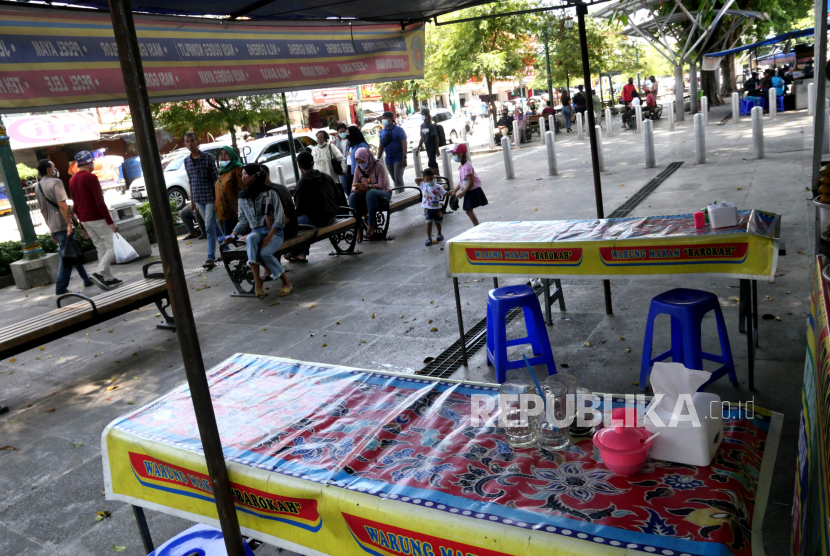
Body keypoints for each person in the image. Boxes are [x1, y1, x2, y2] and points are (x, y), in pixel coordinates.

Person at [224, 164, 292, 299]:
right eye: (242, 174)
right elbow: (243, 221)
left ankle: (286, 283)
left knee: (265, 253)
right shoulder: (243, 197)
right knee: (250, 238)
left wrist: (270, 236)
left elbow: (280, 217)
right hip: (256, 231)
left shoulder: (270, 192)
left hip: (274, 231)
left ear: (255, 176)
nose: (242, 177)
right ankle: (257, 282)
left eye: (245, 174)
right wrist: (233, 235)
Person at [35, 159, 95, 294]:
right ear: (49, 170)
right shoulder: (57, 182)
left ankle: (86, 279)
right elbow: (62, 204)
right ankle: (61, 288)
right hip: (63, 224)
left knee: (71, 250)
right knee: (66, 256)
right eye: (54, 166)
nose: (55, 169)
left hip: (54, 225)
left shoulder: (37, 186)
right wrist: (69, 224)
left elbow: (42, 210)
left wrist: (50, 227)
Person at [68, 151, 121, 289]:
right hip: (97, 217)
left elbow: (75, 204)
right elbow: (100, 202)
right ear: (89, 162)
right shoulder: (91, 178)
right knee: (111, 247)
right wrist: (110, 222)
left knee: (100, 247)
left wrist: (82, 225)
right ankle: (99, 273)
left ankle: (107, 278)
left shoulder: (72, 180)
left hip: (85, 219)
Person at [286, 151, 345, 262]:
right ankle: (297, 253)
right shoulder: (326, 176)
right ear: (313, 163)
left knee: (295, 223)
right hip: (332, 215)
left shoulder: (302, 182)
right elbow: (338, 196)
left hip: (318, 219)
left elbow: (298, 209)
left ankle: (296, 252)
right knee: (304, 222)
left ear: (299, 165)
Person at [183, 132, 221, 270]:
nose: (189, 143)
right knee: (213, 225)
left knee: (209, 227)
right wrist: (192, 201)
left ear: (197, 142)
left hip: (210, 197)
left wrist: (217, 200)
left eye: (192, 140)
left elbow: (215, 180)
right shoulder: (186, 161)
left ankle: (210, 257)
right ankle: (227, 248)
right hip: (199, 199)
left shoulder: (207, 158)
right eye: (187, 141)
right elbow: (191, 182)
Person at [349, 147, 390, 241]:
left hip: (383, 193)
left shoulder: (379, 166)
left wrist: (369, 186)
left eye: (362, 162)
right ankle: (357, 225)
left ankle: (371, 224)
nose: (361, 165)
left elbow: (381, 185)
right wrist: (357, 188)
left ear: (367, 158)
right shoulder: (357, 169)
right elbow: (353, 185)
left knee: (371, 193)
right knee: (352, 196)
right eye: (358, 162)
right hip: (365, 195)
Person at [449, 143, 486, 227]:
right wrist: (455, 190)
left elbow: (471, 181)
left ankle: (477, 227)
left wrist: (463, 193)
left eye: (454, 154)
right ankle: (477, 226)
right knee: (468, 210)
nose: (453, 156)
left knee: (468, 210)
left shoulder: (467, 166)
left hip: (471, 190)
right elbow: (462, 182)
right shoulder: (461, 166)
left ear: (460, 155)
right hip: (468, 190)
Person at [214, 146, 244, 235]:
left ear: (232, 155)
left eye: (226, 153)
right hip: (225, 211)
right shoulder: (223, 171)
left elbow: (242, 188)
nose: (223, 156)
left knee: (235, 235)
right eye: (221, 154)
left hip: (236, 210)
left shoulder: (237, 169)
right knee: (229, 236)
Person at [414, 168, 447, 246]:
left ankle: (439, 234)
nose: (429, 181)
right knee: (429, 223)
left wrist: (452, 193)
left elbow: (444, 193)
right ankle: (429, 238)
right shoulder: (422, 185)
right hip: (428, 209)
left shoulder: (438, 186)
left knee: (438, 222)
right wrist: (424, 179)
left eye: (431, 179)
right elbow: (416, 179)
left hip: (437, 209)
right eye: (427, 179)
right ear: (424, 180)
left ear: (434, 178)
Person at [376, 110, 407, 191]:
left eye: (385, 118)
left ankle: (402, 196)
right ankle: (399, 193)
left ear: (390, 119)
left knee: (398, 178)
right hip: (389, 158)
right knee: (394, 179)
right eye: (382, 118)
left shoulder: (399, 130)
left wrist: (404, 157)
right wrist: (377, 159)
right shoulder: (382, 131)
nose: (383, 120)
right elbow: (381, 146)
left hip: (399, 157)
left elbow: (404, 143)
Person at [344, 125, 371, 197]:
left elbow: (365, 158)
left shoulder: (362, 144)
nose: (347, 135)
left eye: (348, 133)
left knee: (360, 190)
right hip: (350, 169)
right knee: (349, 188)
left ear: (353, 133)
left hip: (360, 170)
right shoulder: (351, 145)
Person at [417, 109, 441, 176]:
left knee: (431, 162)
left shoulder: (431, 125)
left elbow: (436, 137)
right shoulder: (422, 126)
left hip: (432, 146)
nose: (422, 116)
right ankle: (436, 177)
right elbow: (422, 138)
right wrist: (418, 147)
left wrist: (437, 149)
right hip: (427, 147)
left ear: (427, 115)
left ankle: (438, 177)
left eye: (423, 114)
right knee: (432, 163)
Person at [333, 123, 351, 195]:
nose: (342, 133)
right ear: (337, 132)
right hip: (341, 167)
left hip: (350, 165)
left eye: (344, 131)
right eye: (340, 132)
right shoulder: (335, 142)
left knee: (352, 183)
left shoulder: (350, 139)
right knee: (345, 186)